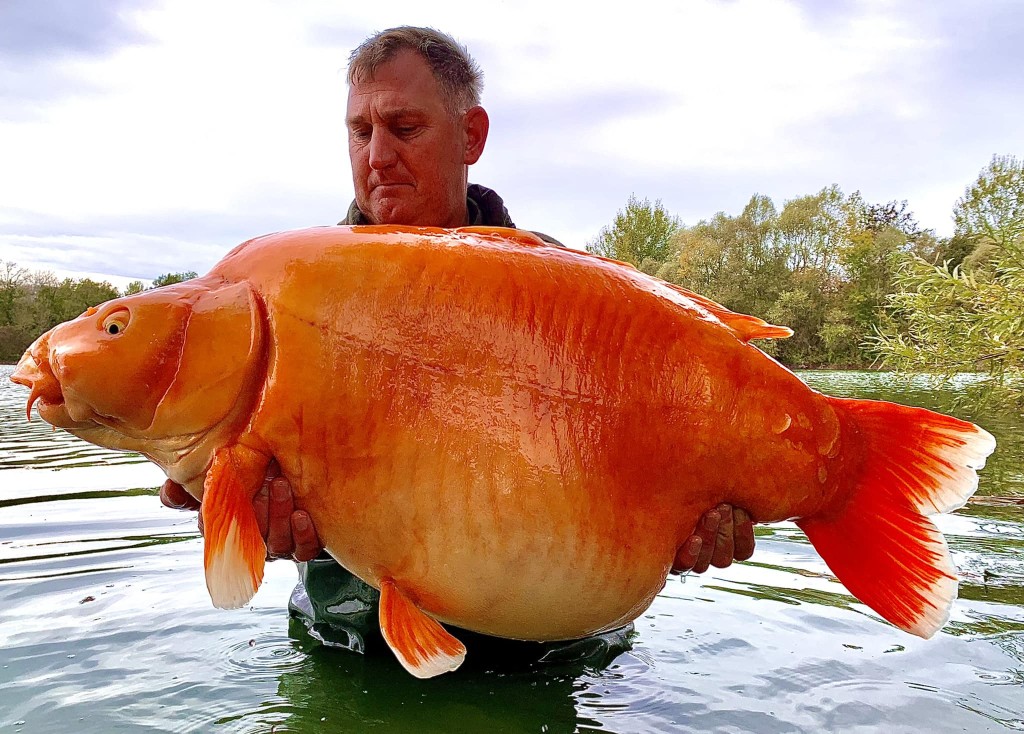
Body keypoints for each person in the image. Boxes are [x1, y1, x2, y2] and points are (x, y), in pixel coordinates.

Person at [161, 26, 755, 661]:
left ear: (472, 135)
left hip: (544, 656)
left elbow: (654, 467)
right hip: (345, 643)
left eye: (405, 128)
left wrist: (694, 524)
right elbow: (196, 464)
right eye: (360, 132)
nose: (378, 155)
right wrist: (222, 501)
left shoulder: (572, 295)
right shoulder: (287, 295)